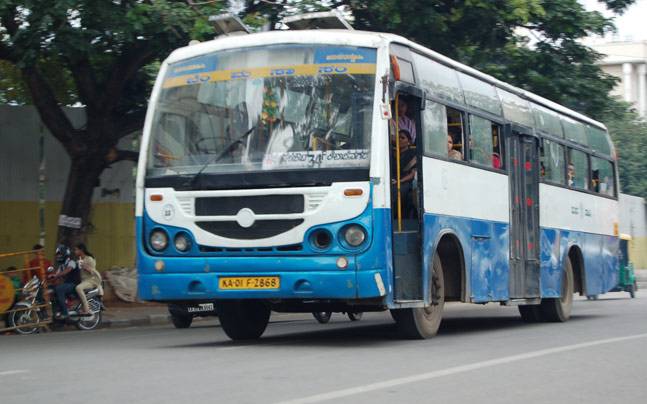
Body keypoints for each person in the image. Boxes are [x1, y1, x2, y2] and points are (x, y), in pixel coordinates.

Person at [49, 244, 80, 319]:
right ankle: (56, 313)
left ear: (65, 254)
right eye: (58, 255)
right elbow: (56, 275)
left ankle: (65, 312)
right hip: (67, 285)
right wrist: (48, 279)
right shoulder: (61, 266)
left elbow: (67, 270)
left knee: (59, 289)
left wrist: (56, 275)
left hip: (74, 285)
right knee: (51, 289)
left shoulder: (71, 262)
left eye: (60, 254)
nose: (58, 256)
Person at [392, 129, 417, 219]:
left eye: (402, 138)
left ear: (409, 142)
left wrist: (399, 181)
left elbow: (413, 174)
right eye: (398, 137)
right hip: (391, 180)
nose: (399, 139)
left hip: (405, 181)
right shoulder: (390, 153)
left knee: (398, 192)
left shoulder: (413, 154)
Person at [73, 243, 102, 317]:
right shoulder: (80, 259)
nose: (75, 251)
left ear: (81, 250)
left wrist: (84, 266)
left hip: (92, 280)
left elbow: (92, 271)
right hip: (84, 280)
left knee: (78, 288)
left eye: (76, 250)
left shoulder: (89, 259)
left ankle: (87, 309)